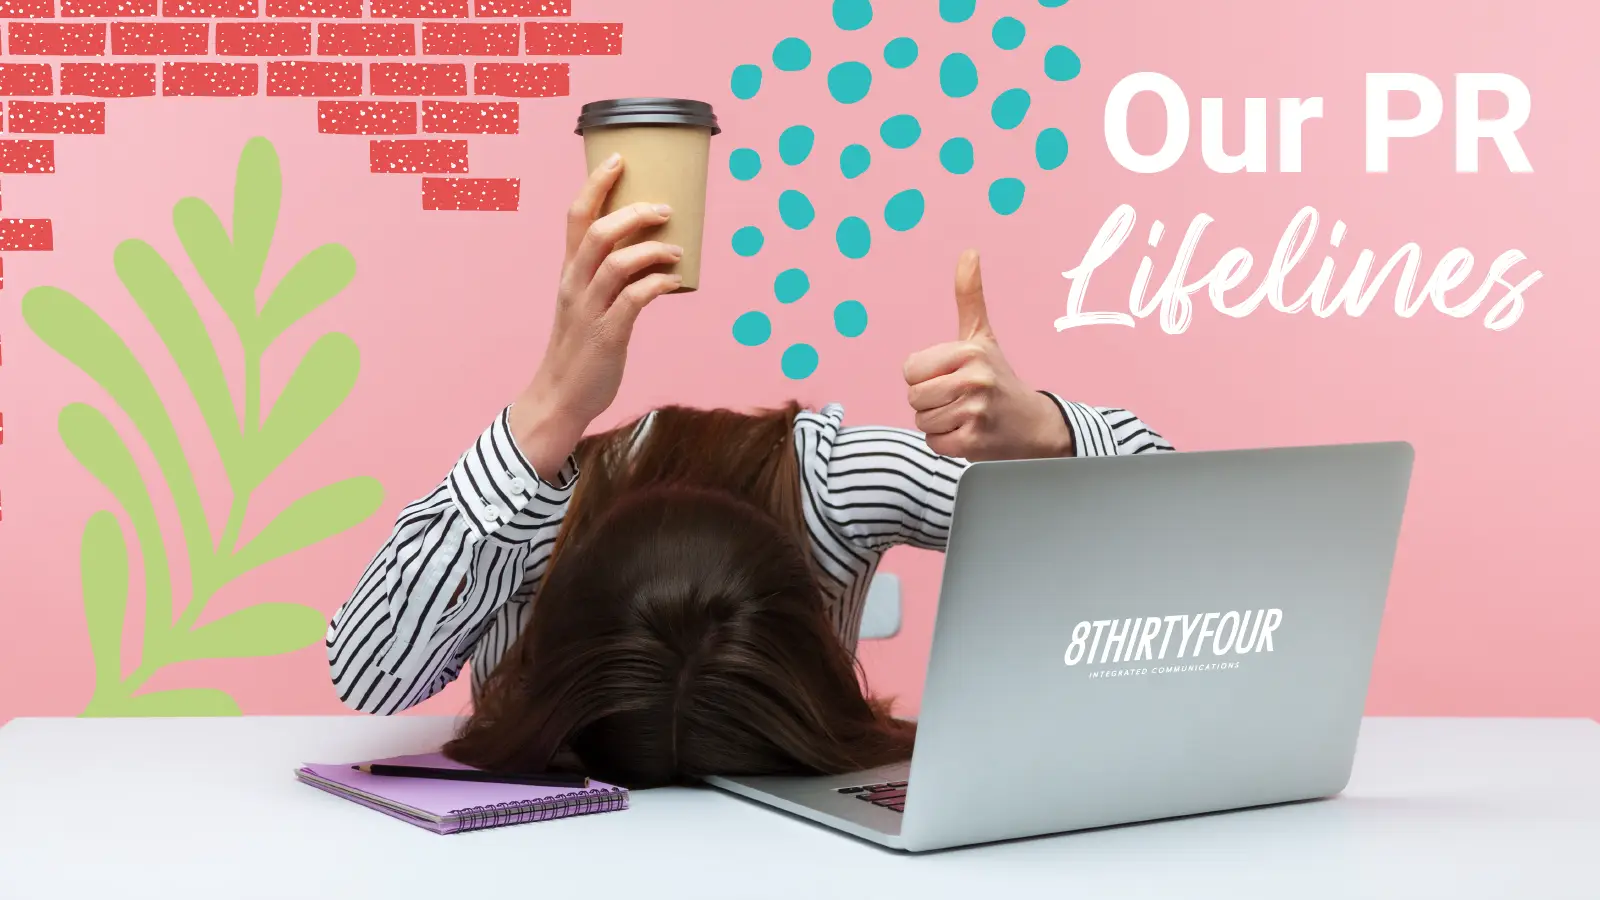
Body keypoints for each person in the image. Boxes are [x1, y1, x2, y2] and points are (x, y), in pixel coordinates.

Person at [326, 155, 1175, 788]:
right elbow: (370, 672)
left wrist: (1042, 436)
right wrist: (546, 410)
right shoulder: (533, 514)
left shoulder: (831, 486)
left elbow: (1187, 543)